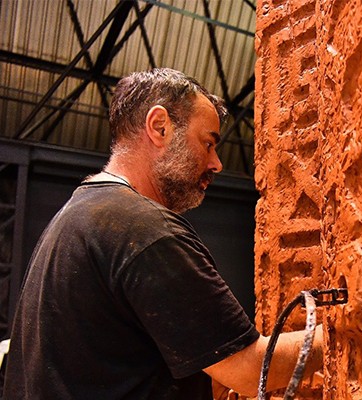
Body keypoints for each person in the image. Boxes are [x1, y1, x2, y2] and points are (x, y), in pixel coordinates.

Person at [3, 68, 323, 399]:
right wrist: (339, 331)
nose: (216, 163)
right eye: (208, 143)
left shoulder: (78, 216)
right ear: (160, 127)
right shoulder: (143, 228)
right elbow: (249, 369)